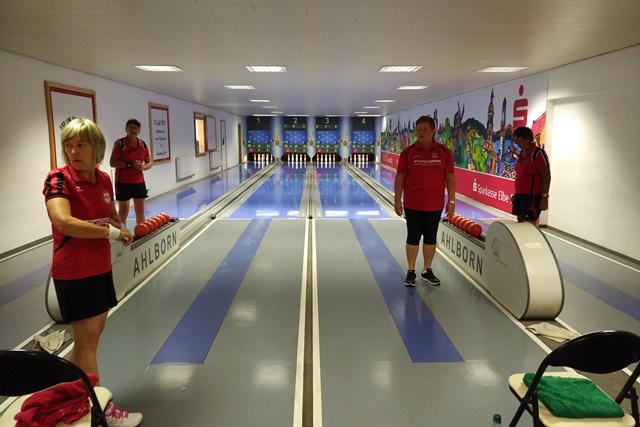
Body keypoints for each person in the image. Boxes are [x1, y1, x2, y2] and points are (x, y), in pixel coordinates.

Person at [43, 118, 142, 426]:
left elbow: (110, 215)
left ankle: (64, 396)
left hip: (100, 267)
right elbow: (63, 222)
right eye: (69, 145)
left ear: (96, 147)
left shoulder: (103, 179)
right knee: (87, 343)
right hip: (74, 272)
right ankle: (98, 411)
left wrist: (119, 226)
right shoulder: (58, 179)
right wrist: (111, 233)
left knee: (91, 338)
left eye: (81, 145)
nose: (73, 151)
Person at [394, 115, 456, 287]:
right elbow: (400, 178)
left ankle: (427, 270)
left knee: (430, 238)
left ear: (433, 131)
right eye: (418, 130)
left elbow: (450, 178)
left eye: (425, 129)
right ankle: (411, 270)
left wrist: (451, 201)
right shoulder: (408, 152)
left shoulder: (444, 152)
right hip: (413, 204)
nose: (421, 132)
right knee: (413, 237)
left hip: (435, 204)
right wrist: (397, 200)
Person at [110, 119, 152, 226]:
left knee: (140, 209)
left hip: (139, 181)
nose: (133, 130)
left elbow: (149, 162)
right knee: (124, 210)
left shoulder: (143, 144)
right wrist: (130, 164)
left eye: (135, 128)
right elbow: (112, 162)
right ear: (126, 130)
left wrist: (143, 167)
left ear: (139, 131)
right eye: (131, 128)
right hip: (123, 182)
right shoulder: (120, 143)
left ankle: (141, 232)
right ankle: (122, 233)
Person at [511, 126, 550, 224]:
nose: (516, 142)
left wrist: (544, 197)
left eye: (518, 139)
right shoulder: (521, 154)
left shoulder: (537, 153)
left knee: (529, 224)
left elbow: (546, 176)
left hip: (532, 196)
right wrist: (516, 194)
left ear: (527, 138)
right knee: (520, 222)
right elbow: (521, 175)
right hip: (520, 195)